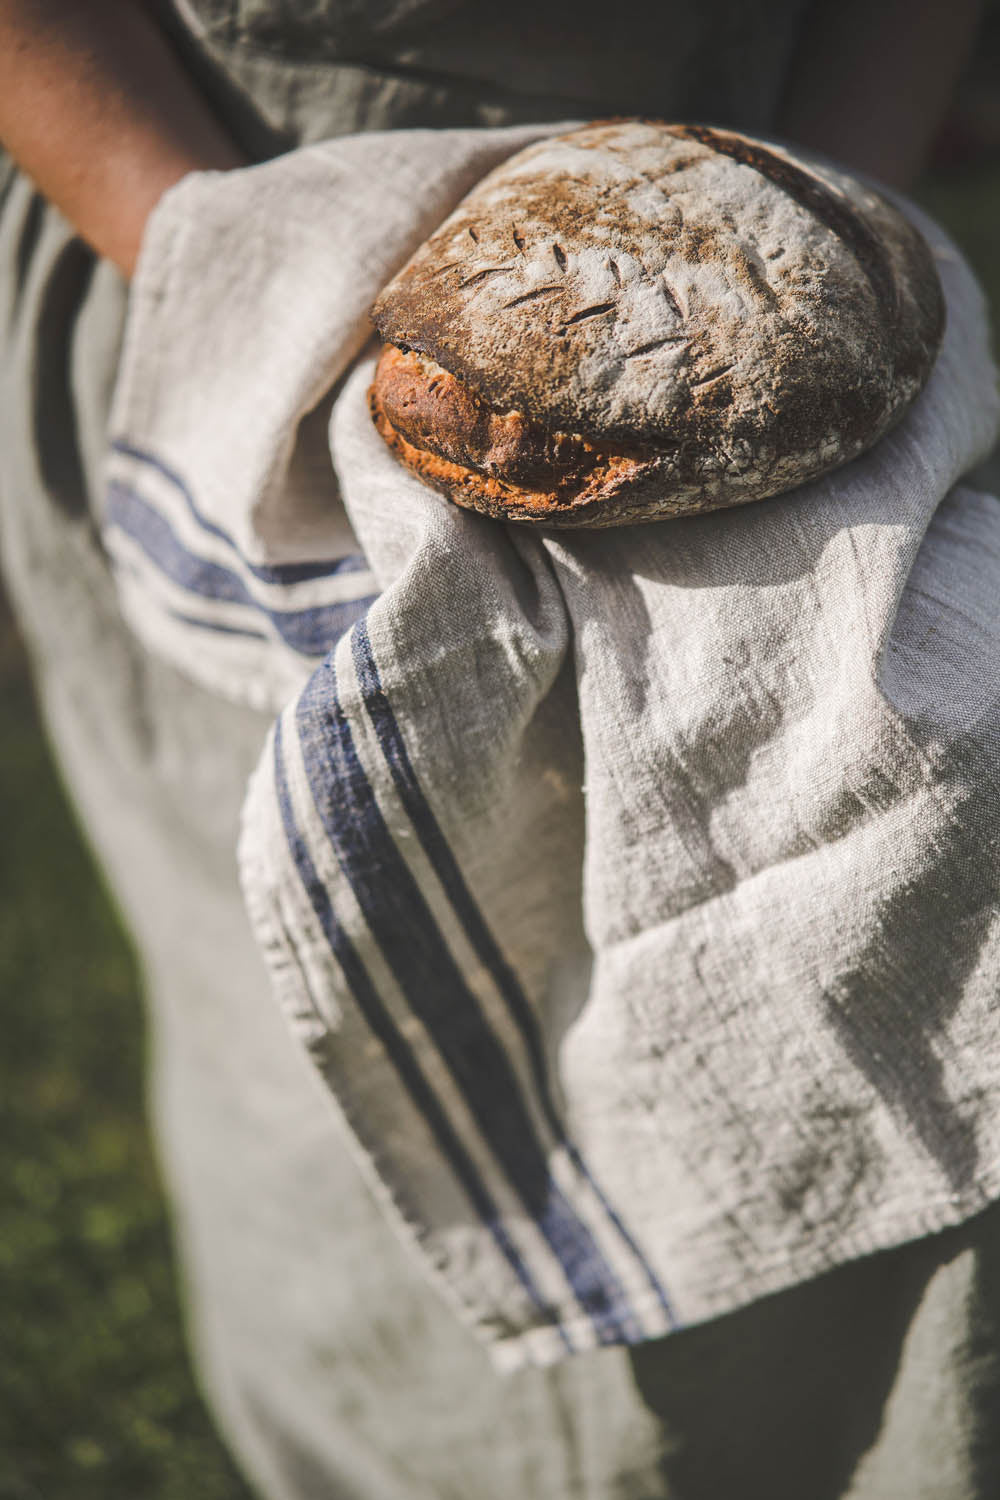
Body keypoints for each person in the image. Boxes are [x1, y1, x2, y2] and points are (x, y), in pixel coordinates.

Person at [1, 3, 996, 1497]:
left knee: (839, 930)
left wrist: (819, 205)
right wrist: (242, 272)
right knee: (328, 1008)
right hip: (192, 204)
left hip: (750, 181)